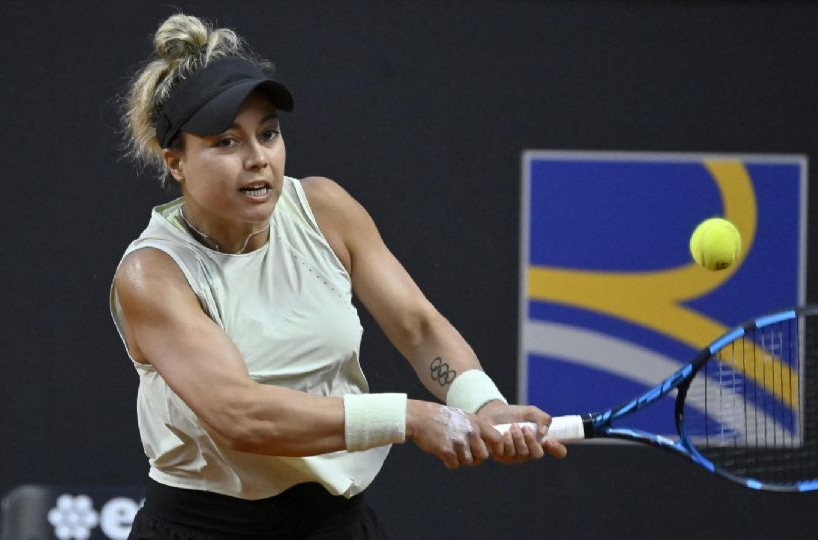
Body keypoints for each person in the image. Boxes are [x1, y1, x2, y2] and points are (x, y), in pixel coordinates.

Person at [111, 13, 566, 539]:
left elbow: (417, 327)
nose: (258, 159)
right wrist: (410, 418)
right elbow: (241, 416)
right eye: (226, 143)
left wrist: (481, 403)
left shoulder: (325, 209)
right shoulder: (151, 273)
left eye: (268, 134)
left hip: (332, 523)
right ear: (176, 162)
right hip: (205, 528)